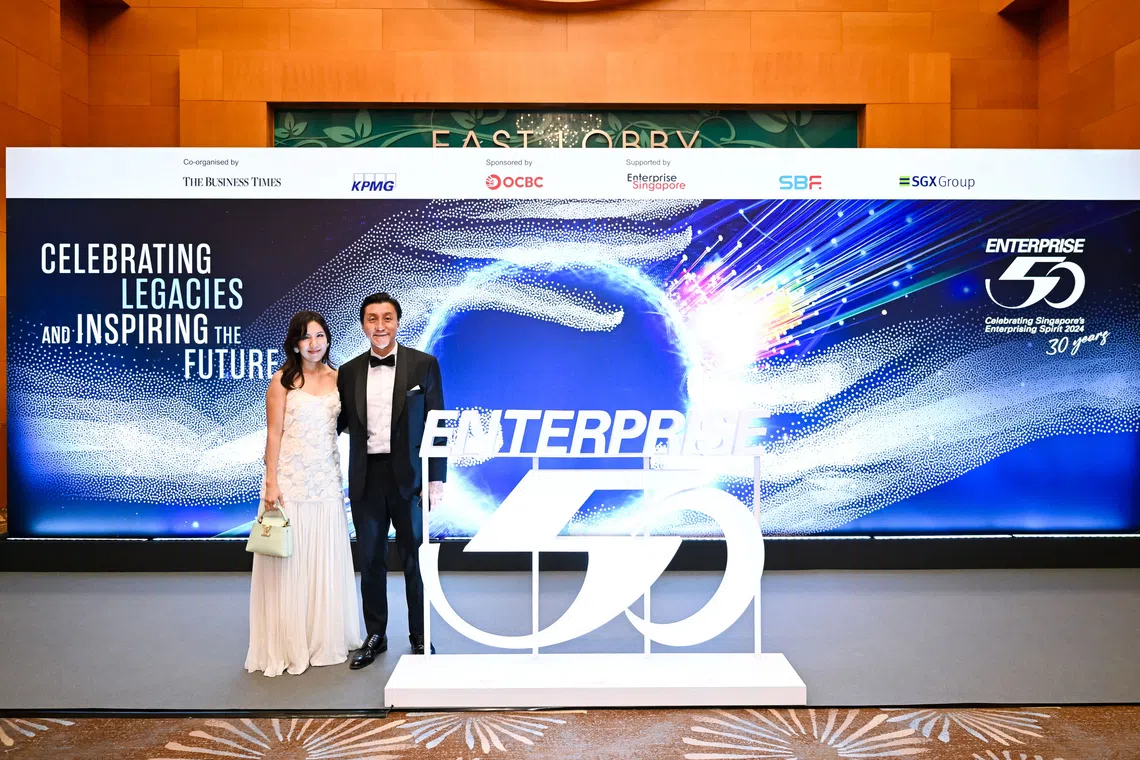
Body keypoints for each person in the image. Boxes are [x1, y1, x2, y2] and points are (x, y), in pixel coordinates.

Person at [246, 311, 364, 677]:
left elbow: (351, 424)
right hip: (291, 482)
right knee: (290, 561)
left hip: (327, 481)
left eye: (319, 336)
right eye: (306, 337)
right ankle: (288, 642)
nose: (314, 344)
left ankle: (321, 637)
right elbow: (273, 434)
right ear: (295, 343)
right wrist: (271, 482)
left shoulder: (340, 378)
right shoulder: (282, 380)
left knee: (324, 557)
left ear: (327, 339)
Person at [337, 292, 447, 669]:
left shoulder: (424, 364)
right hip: (366, 478)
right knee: (370, 560)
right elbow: (336, 422)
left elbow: (437, 425)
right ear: (363, 325)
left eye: (387, 318)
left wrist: (436, 478)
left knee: (415, 558)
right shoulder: (348, 371)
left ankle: (420, 635)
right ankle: (376, 635)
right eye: (372, 318)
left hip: (411, 479)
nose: (380, 325)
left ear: (397, 322)